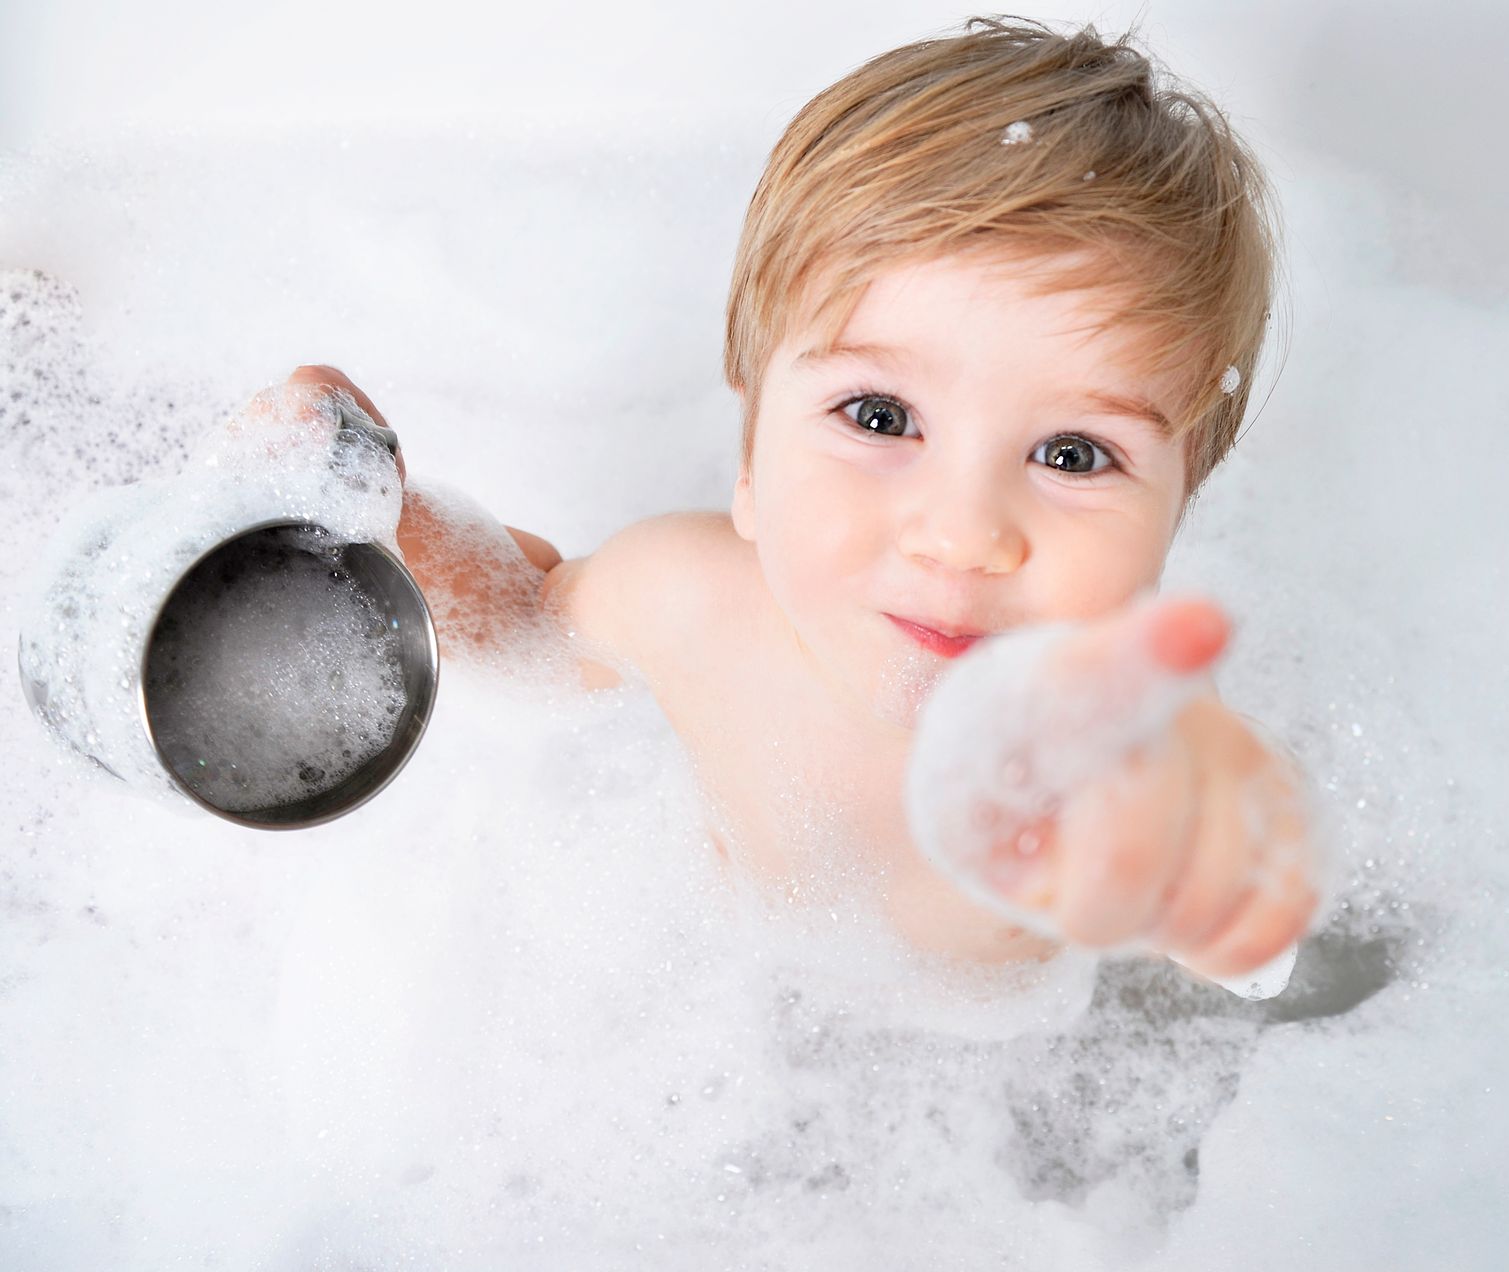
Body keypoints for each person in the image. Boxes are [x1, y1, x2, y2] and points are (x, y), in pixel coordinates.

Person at [250, 16, 1317, 982]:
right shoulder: (690, 598)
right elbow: (525, 621)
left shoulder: (1135, 743)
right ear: (752, 458)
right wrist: (370, 510)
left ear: (1180, 508)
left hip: (1012, 1095)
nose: (962, 535)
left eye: (1075, 455)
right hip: (729, 1019)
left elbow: (1243, 914)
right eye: (882, 419)